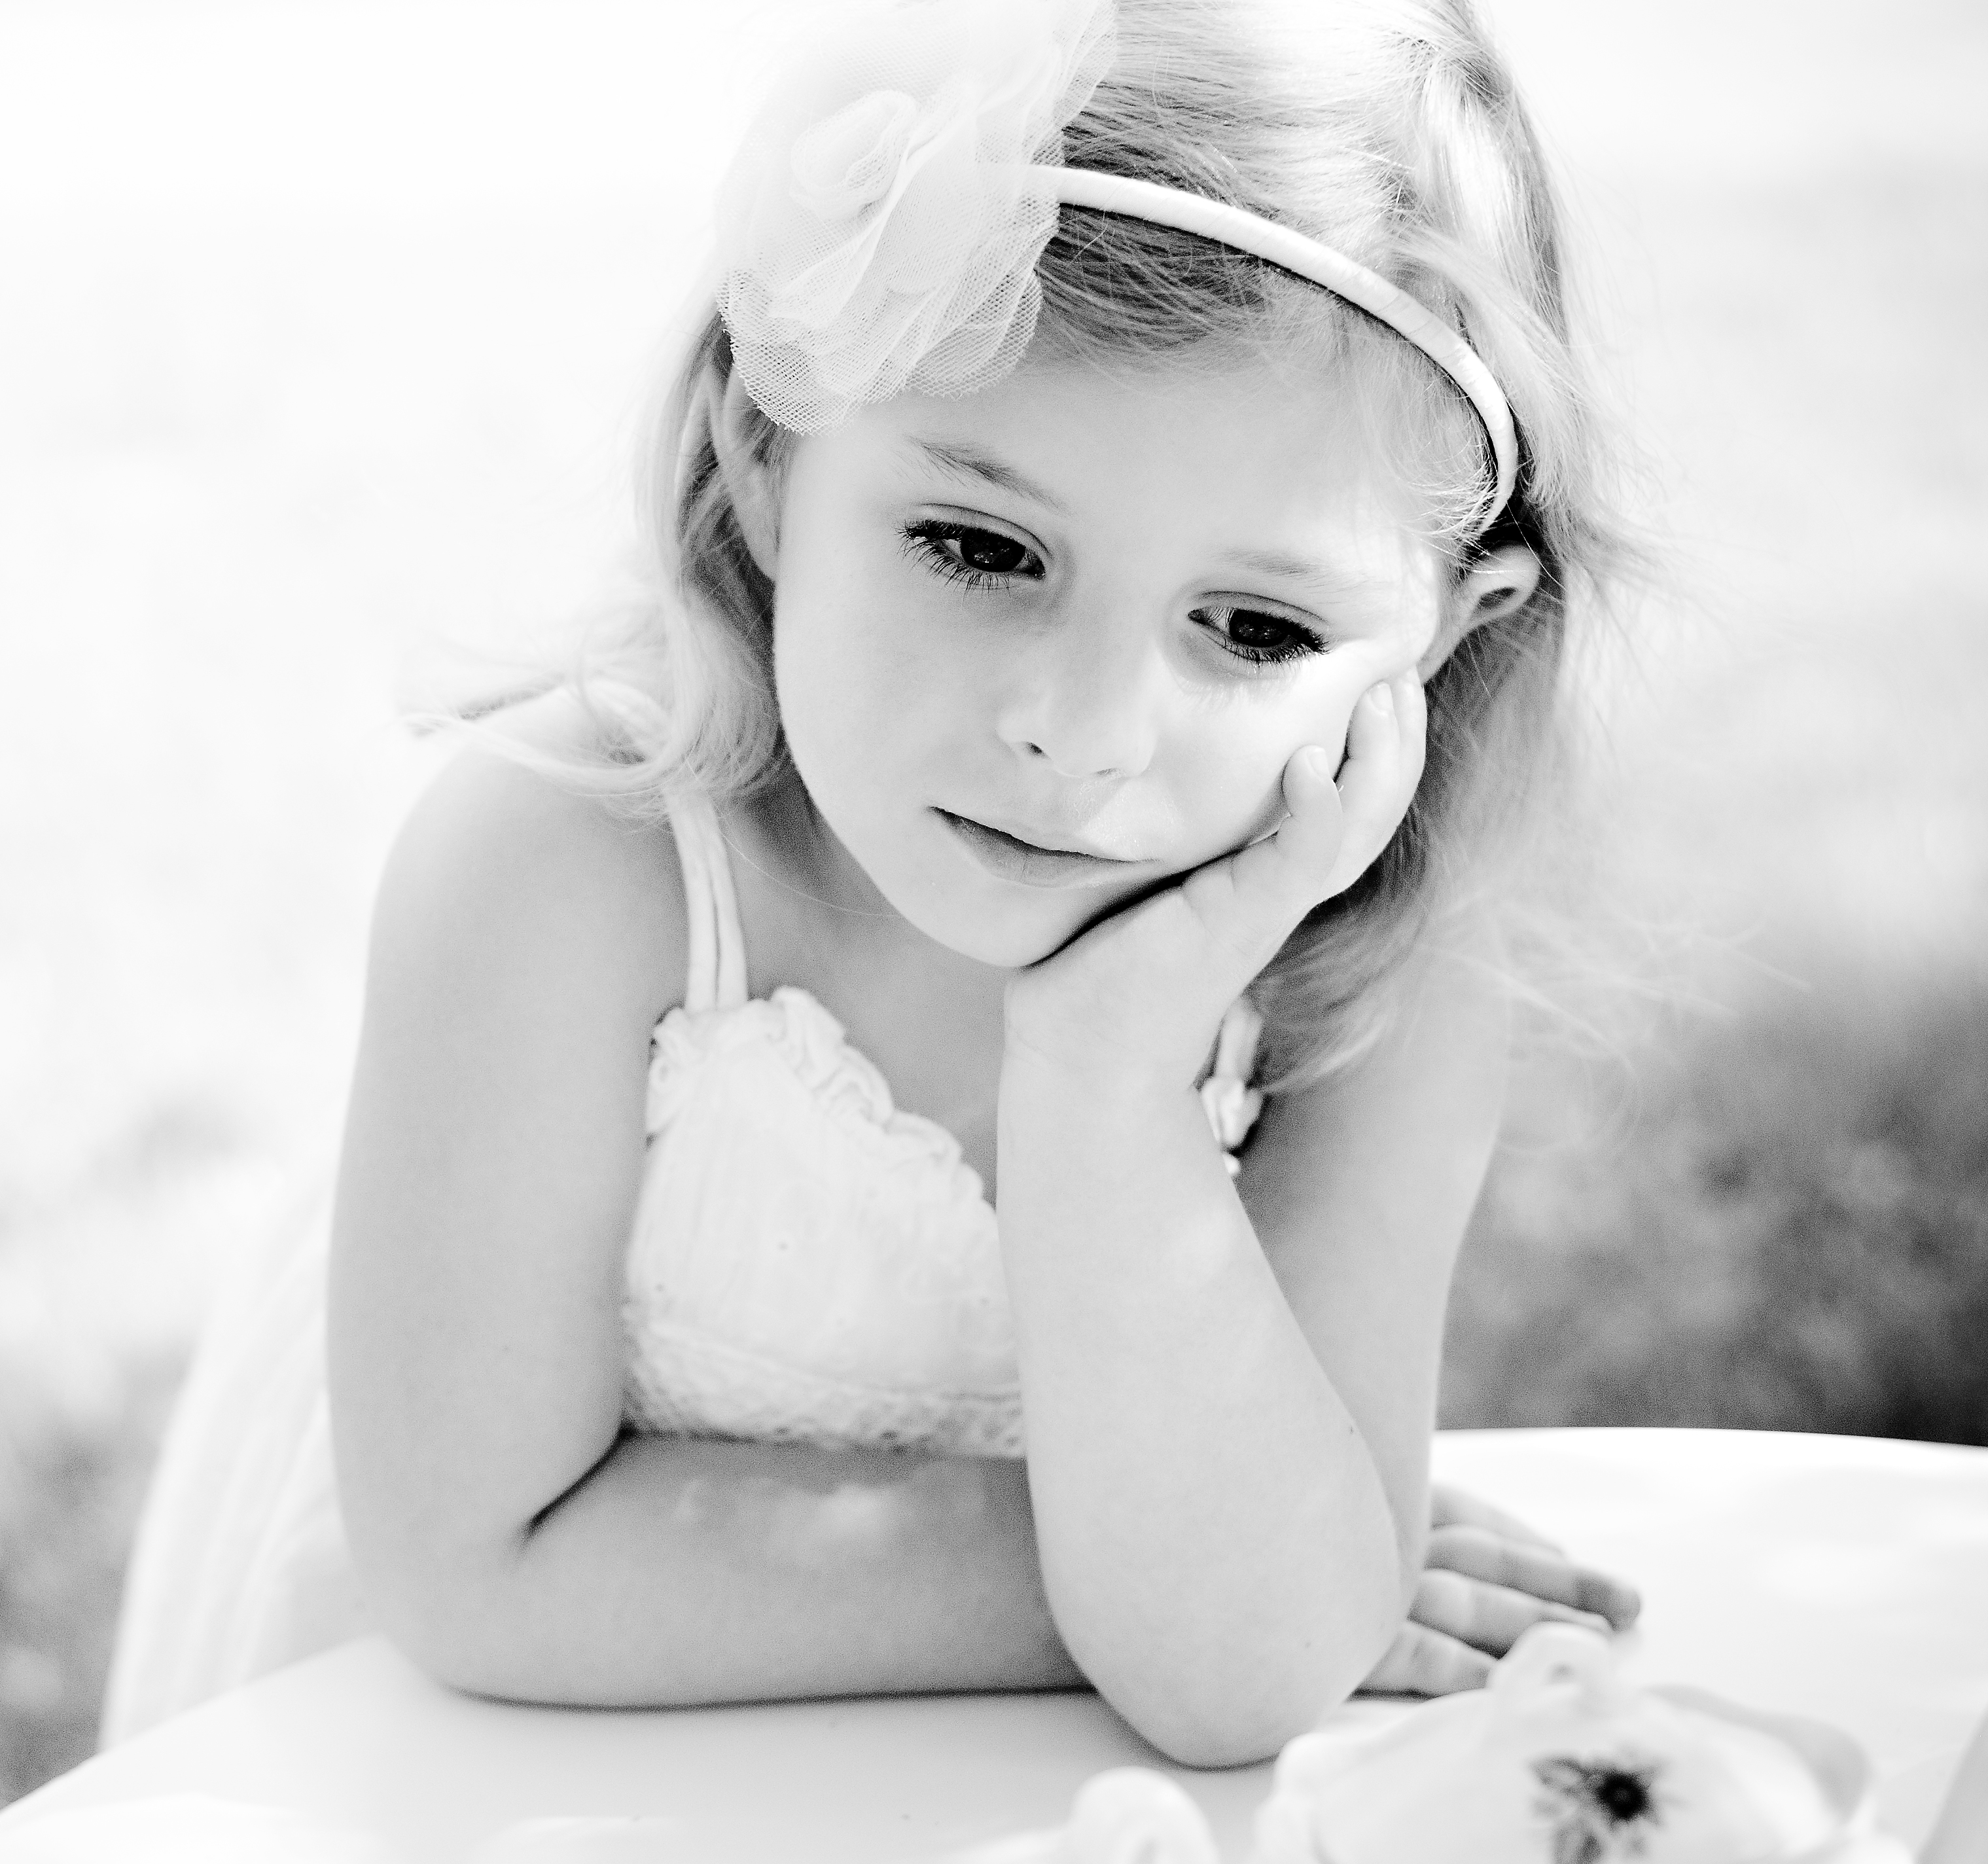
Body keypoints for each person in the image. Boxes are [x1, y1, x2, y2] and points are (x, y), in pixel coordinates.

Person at [105, 0, 1646, 1766]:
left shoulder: (1384, 987)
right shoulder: (570, 866)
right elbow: (484, 1567)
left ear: (1446, 643)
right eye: (984, 548)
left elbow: (1240, 1679)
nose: (1080, 732)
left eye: (1258, 627)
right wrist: (1161, 1548)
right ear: (770, 457)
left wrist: (1106, 1075)